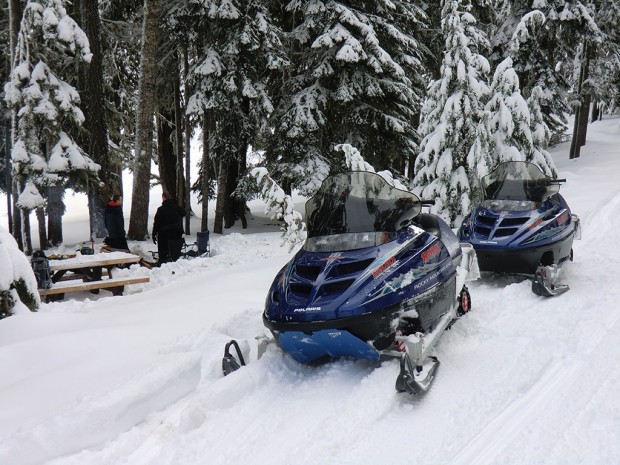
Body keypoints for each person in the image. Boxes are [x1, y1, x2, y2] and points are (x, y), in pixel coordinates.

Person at [152, 192, 185, 264]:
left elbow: (156, 223)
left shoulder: (161, 209)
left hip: (163, 235)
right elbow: (182, 216)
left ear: (163, 198)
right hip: (176, 235)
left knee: (163, 253)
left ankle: (163, 264)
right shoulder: (178, 209)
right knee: (174, 253)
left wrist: (154, 233)